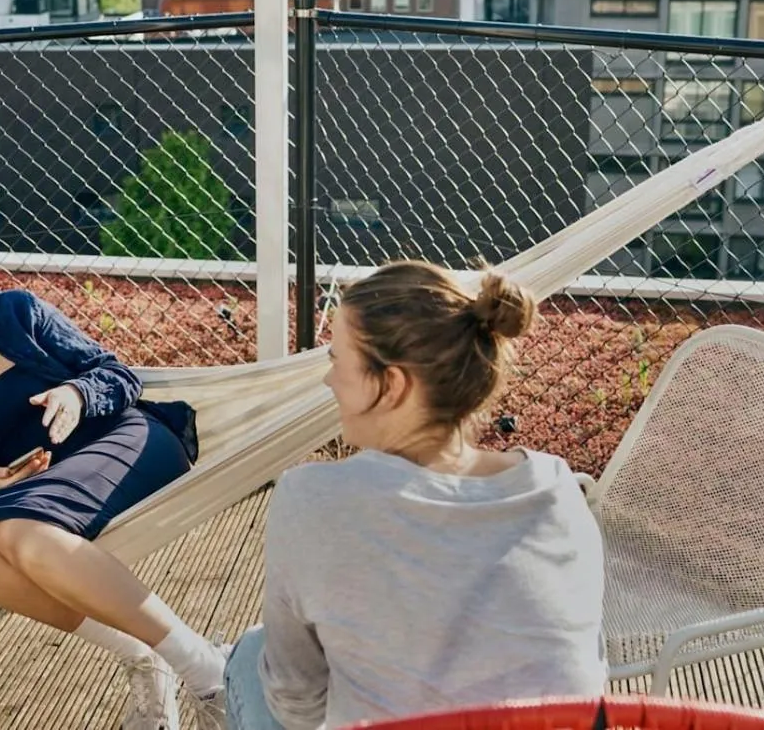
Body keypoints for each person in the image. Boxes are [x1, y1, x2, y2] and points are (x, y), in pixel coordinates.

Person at [0, 221, 229, 730]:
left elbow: (119, 376)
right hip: (40, 493)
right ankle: (141, 652)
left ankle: (207, 672)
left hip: (126, 440)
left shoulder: (14, 313)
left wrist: (76, 395)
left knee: (21, 531)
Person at [223, 261, 607, 730]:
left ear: (392, 384)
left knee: (248, 659)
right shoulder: (558, 487)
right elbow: (587, 666)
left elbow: (296, 705)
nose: (329, 381)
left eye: (336, 362)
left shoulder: (312, 499)